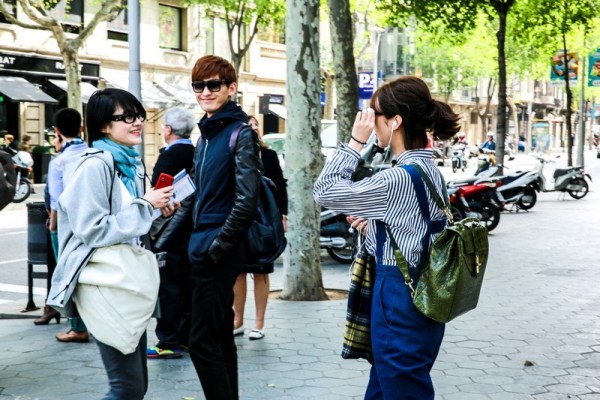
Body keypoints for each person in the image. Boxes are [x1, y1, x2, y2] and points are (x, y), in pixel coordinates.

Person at [314, 76, 460, 399]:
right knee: (387, 386)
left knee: (400, 387)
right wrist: (374, 227)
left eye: (374, 113)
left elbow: (324, 191)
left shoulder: (397, 178)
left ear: (395, 121)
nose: (368, 121)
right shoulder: (429, 171)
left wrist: (355, 141)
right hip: (425, 293)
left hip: (399, 296)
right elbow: (418, 231)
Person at [49, 88, 176, 399]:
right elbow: (91, 230)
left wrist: (159, 212)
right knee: (127, 387)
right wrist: (146, 205)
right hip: (104, 283)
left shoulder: (130, 165)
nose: (138, 122)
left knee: (137, 386)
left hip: (127, 283)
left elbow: (131, 226)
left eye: (139, 115)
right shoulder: (94, 166)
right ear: (105, 125)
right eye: (127, 117)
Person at [169, 54, 261, 400]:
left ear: (231, 88)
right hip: (202, 246)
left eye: (213, 85)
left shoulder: (240, 133)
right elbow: (195, 192)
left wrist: (218, 247)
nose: (205, 92)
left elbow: (246, 200)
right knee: (220, 337)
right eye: (199, 85)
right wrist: (164, 233)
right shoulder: (206, 136)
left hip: (217, 251)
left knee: (201, 341)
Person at [147, 107, 196, 359]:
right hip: (192, 228)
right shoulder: (196, 152)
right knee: (186, 284)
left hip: (171, 228)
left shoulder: (169, 156)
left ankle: (168, 340)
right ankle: (186, 337)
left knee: (169, 286)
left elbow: (158, 192)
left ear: (168, 130)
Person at [232, 115, 287, 341]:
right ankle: (237, 321)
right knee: (238, 272)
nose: (254, 128)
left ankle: (259, 323)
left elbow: (280, 186)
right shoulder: (233, 153)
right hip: (239, 219)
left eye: (256, 125)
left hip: (265, 219)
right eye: (250, 125)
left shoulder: (269, 155)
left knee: (261, 271)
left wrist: (282, 215)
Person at [38, 109, 90, 337]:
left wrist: (53, 227)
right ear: (81, 128)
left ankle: (77, 328)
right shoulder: (92, 154)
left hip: (66, 227)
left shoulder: (59, 162)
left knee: (68, 275)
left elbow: (57, 201)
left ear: (57, 131)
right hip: (90, 222)